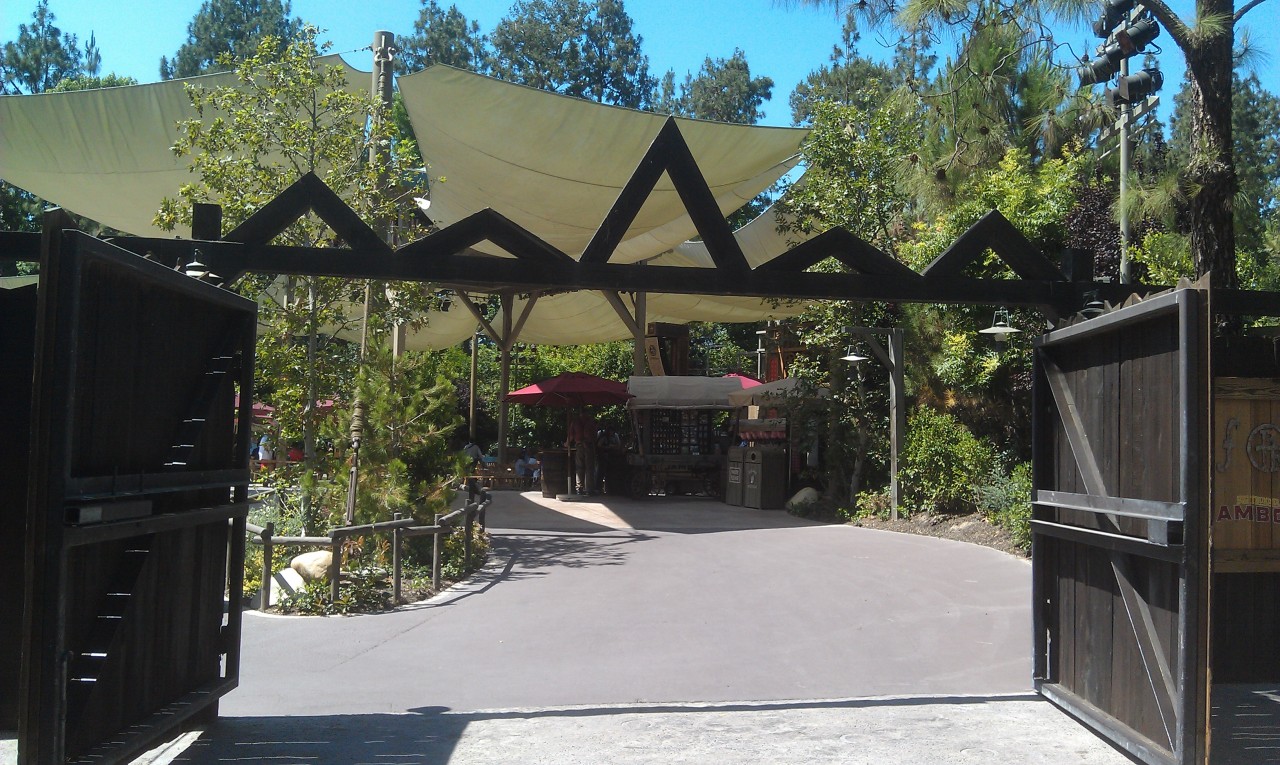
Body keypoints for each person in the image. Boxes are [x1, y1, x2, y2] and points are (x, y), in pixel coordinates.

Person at [565, 409, 596, 494]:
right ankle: (589, 490)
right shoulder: (590, 421)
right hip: (588, 445)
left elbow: (570, 436)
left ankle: (579, 488)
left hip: (580, 446)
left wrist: (566, 444)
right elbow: (594, 435)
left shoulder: (575, 422)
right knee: (589, 468)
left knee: (580, 467)